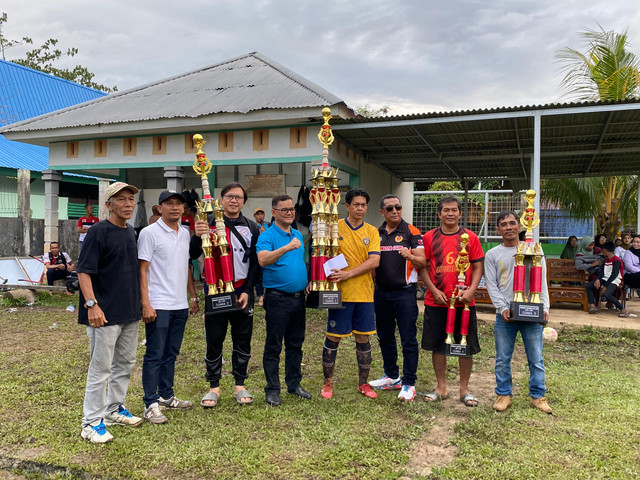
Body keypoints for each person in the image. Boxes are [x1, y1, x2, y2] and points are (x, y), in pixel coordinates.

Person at [77, 182, 143, 444]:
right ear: (108, 205)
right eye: (121, 200)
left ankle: (114, 409)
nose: (127, 204)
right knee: (100, 368)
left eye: (131, 200)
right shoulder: (98, 231)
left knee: (125, 364)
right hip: (103, 314)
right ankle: (91, 423)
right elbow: (84, 271)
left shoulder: (130, 232)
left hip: (129, 311)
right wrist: (92, 305)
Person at [191, 182, 260, 407]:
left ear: (243, 201)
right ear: (221, 199)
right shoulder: (208, 223)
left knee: (242, 338)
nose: (234, 200)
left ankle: (240, 385)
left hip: (241, 290)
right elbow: (192, 253)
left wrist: (249, 290)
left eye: (239, 197)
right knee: (215, 338)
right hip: (215, 290)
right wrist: (196, 235)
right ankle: (214, 387)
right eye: (230, 196)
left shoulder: (251, 227)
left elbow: (255, 263)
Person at [138, 190, 200, 424]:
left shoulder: (184, 233)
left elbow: (186, 267)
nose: (175, 207)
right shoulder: (149, 233)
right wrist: (146, 303)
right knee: (155, 353)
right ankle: (150, 403)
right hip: (158, 304)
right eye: (169, 203)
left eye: (178, 204)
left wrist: (192, 297)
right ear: (159, 208)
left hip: (179, 304)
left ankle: (166, 395)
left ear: (184, 209)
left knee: (171, 353)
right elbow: (142, 269)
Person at [484, 211, 552, 414]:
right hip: (505, 316)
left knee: (536, 358)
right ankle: (503, 394)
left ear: (520, 226)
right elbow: (491, 284)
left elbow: (542, 283)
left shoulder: (534, 250)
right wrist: (503, 308)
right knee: (503, 358)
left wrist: (545, 308)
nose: (508, 227)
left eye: (512, 223)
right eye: (503, 224)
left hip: (532, 313)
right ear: (498, 230)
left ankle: (538, 395)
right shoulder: (493, 254)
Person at [420, 195, 483, 407]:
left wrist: (472, 290)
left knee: (465, 346)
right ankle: (441, 387)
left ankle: (464, 390)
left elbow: (477, 267)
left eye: (454, 210)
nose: (450, 213)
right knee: (438, 345)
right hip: (437, 301)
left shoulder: (470, 237)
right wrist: (433, 289)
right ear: (439, 213)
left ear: (460, 213)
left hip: (464, 303)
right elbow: (423, 266)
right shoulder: (428, 237)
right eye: (445, 210)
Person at [321, 189, 381, 400]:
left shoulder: (372, 231)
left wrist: (349, 274)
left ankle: (364, 383)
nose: (360, 208)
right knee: (333, 337)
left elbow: (375, 261)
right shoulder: (333, 227)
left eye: (364, 205)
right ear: (347, 206)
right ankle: (327, 383)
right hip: (340, 294)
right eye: (356, 204)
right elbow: (322, 255)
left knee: (363, 338)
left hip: (364, 294)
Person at [368, 194, 425, 402]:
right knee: (384, 336)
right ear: (382, 212)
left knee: (408, 338)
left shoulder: (412, 231)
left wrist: (409, 255)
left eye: (398, 207)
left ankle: (409, 383)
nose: (395, 211)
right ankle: (392, 376)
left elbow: (422, 261)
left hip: (404, 293)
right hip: (381, 292)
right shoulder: (376, 232)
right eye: (390, 208)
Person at [256, 195, 311, 406]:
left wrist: (304, 280)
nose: (289, 212)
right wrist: (286, 247)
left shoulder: (297, 233)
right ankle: (272, 389)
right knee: (273, 345)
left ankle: (294, 384)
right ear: (274, 212)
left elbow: (298, 262)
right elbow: (262, 259)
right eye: (284, 209)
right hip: (277, 299)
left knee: (296, 344)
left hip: (299, 299)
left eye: (292, 209)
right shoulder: (267, 236)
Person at [587, 241, 627, 316]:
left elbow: (614, 274)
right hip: (605, 279)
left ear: (605, 251)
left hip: (615, 280)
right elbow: (602, 272)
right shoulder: (606, 260)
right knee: (588, 285)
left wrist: (605, 286)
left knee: (607, 294)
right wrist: (598, 279)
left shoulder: (616, 260)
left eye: (603, 251)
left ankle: (622, 308)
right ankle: (592, 305)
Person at [253, 207, 270, 307]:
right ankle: (260, 295)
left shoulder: (269, 225)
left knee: (268, 273)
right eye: (258, 214)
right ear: (254, 216)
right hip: (258, 254)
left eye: (261, 214)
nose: (260, 216)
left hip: (269, 253)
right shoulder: (253, 226)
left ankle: (268, 293)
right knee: (258, 276)